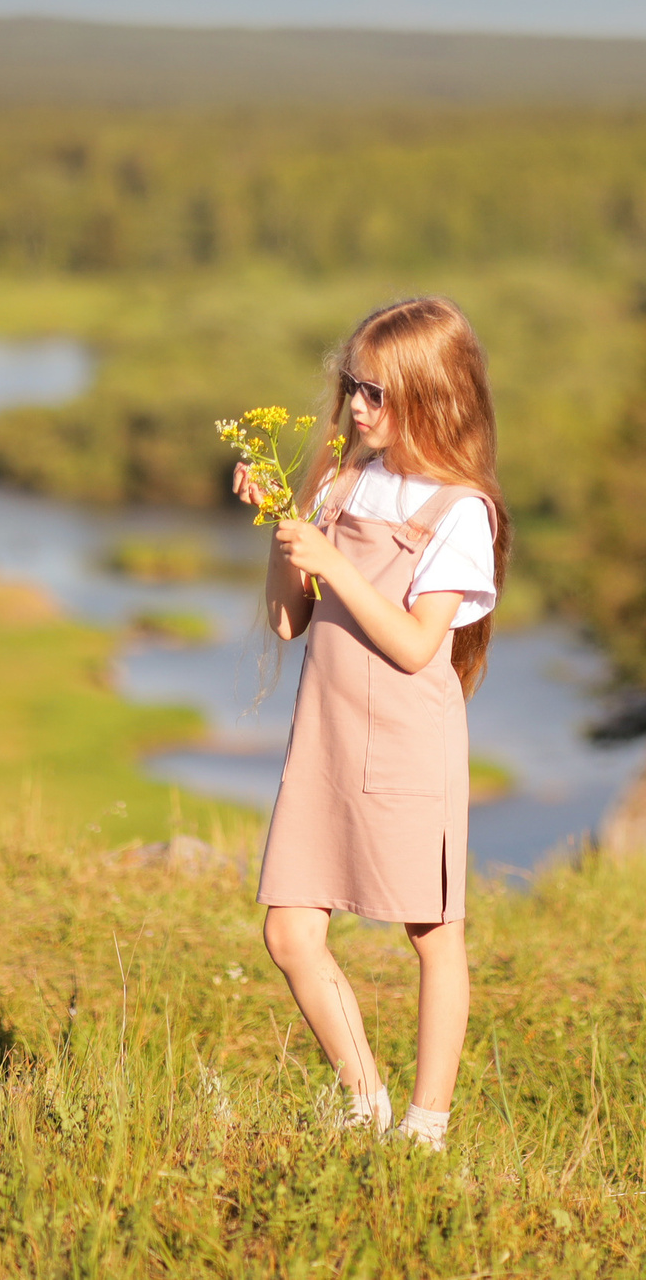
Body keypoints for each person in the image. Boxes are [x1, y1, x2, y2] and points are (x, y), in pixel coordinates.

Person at [231, 295, 509, 1153]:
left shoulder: (460, 510)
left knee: (433, 934)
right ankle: (365, 1099)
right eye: (352, 384)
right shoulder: (339, 478)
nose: (355, 406)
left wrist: (335, 569)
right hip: (324, 735)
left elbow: (421, 645)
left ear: (432, 395)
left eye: (376, 392)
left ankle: (426, 1127)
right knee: (287, 929)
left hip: (407, 743)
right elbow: (289, 623)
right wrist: (285, 529)